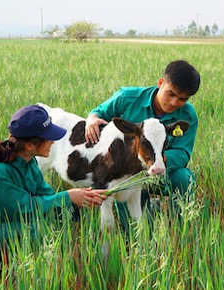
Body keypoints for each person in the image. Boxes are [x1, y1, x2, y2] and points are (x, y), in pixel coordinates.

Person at [0, 105, 107, 251]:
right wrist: (67, 197)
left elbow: (46, 195)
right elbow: (24, 210)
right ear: (29, 145)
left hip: (2, 220)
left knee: (51, 220)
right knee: (35, 230)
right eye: (48, 138)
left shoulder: (29, 162)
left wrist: (78, 201)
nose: (53, 141)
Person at [85, 60, 200, 227]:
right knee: (137, 229)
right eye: (171, 94)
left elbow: (182, 153)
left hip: (159, 173)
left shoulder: (187, 116)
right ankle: (145, 215)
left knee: (184, 178)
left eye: (182, 99)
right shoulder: (127, 98)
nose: (174, 103)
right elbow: (99, 113)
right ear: (161, 83)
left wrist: (156, 160)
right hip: (127, 176)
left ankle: (178, 227)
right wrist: (91, 119)